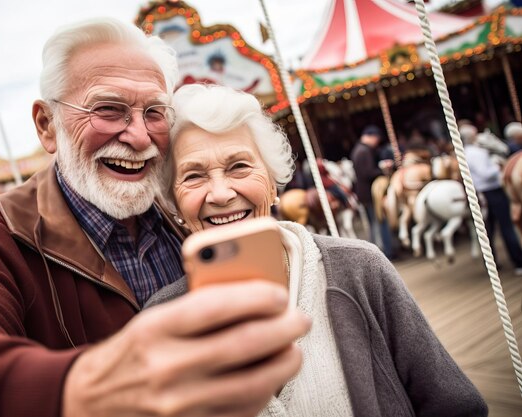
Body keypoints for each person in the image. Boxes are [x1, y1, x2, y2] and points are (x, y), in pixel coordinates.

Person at [0, 18, 311, 417]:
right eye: (109, 110)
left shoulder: (183, 203)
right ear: (47, 125)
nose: (139, 136)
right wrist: (77, 389)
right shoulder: (2, 232)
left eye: (154, 112)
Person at [151, 83, 487, 416]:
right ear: (174, 201)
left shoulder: (360, 267)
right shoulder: (160, 321)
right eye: (194, 176)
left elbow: (456, 406)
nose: (221, 193)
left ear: (272, 180)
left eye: (239, 166)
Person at [461, 123, 522, 275]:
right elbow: (485, 173)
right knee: (506, 227)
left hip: (481, 194)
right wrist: (498, 166)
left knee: (489, 230)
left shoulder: (466, 152)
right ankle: (518, 261)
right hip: (492, 191)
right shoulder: (476, 152)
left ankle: (492, 263)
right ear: (472, 136)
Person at [350, 125, 394, 258]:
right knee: (379, 222)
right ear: (371, 137)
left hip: (364, 193)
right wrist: (382, 170)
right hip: (371, 194)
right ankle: (385, 251)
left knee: (374, 223)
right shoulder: (364, 151)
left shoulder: (359, 150)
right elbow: (367, 172)